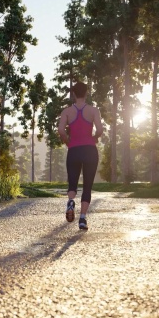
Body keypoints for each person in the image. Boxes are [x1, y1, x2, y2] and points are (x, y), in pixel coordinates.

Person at [58, 81, 104, 230]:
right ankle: (83, 219)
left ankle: (71, 201)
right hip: (90, 150)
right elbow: (100, 130)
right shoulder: (93, 110)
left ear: (73, 94)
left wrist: (67, 142)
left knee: (72, 182)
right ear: (86, 93)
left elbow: (61, 131)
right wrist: (94, 138)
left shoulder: (66, 112)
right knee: (87, 186)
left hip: (74, 150)